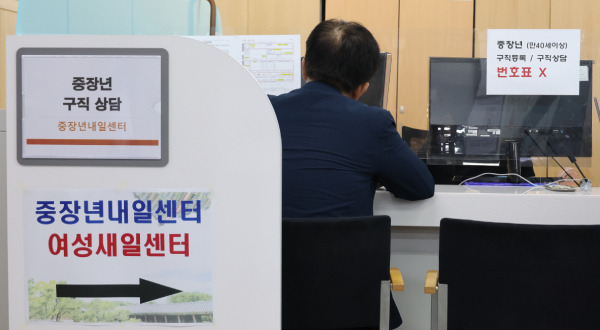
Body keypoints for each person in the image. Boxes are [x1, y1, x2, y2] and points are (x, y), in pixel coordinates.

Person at [270, 19, 435, 329]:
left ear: (305, 67)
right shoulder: (372, 123)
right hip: (349, 304)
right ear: (363, 87)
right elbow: (421, 187)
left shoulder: (265, 112)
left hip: (269, 297)